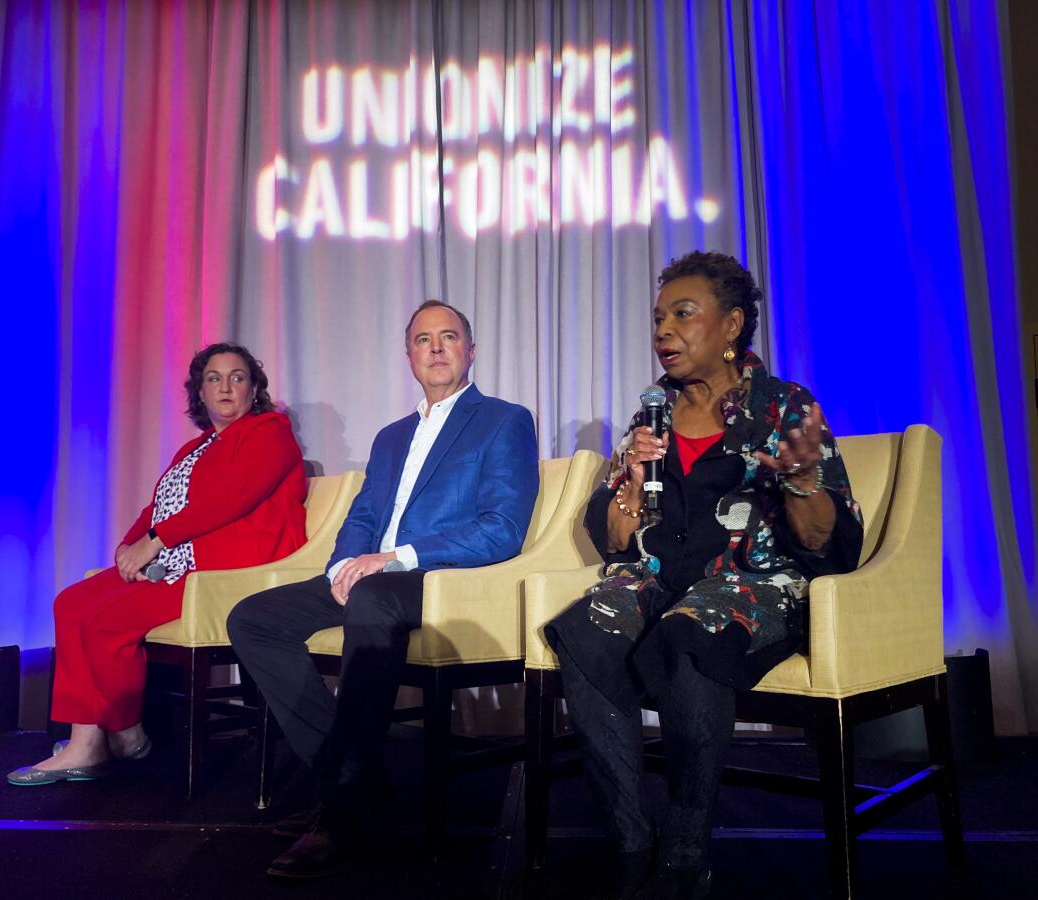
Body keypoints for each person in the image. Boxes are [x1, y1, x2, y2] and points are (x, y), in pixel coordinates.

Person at [545, 252, 864, 899]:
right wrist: (630, 487)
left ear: (732, 326)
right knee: (584, 630)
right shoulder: (651, 414)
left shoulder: (782, 407)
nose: (664, 330)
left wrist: (797, 475)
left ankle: (686, 855)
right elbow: (611, 537)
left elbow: (830, 543)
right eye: (659, 317)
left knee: (690, 632)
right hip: (660, 578)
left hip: (752, 581)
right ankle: (632, 841)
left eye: (683, 315)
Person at [227, 300, 539, 879]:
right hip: (372, 575)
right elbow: (363, 515)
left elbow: (501, 530)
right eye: (424, 340)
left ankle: (341, 811)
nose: (437, 348)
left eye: (450, 337)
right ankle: (354, 777)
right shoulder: (391, 436)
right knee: (252, 618)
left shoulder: (503, 419)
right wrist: (345, 564)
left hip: (440, 580)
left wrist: (394, 558)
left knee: (372, 597)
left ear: (471, 351)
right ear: (410, 357)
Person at [7, 343, 307, 785]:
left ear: (254, 388)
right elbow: (159, 507)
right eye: (214, 378)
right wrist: (128, 547)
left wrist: (153, 543)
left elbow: (231, 498)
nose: (226, 386)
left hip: (224, 571)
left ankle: (100, 740)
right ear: (200, 393)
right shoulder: (195, 447)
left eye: (238, 377)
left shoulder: (269, 431)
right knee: (72, 603)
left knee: (106, 619)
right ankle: (115, 737)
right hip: (177, 560)